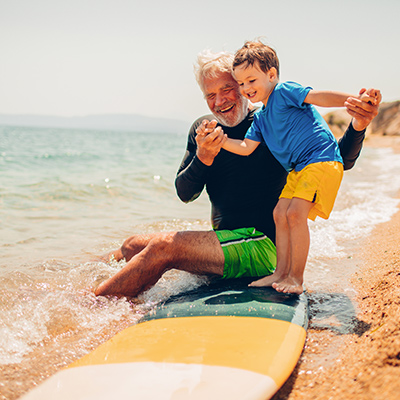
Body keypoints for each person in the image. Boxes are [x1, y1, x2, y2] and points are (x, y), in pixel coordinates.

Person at [94, 50, 381, 298]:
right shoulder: (204, 129)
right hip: (229, 242)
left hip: (263, 245)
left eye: (228, 89)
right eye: (210, 95)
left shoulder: (269, 122)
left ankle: (91, 304)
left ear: (244, 87)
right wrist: (203, 157)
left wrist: (358, 125)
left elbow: (335, 160)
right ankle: (119, 300)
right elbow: (185, 193)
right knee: (131, 246)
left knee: (163, 247)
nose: (219, 101)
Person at [218, 40, 378, 294]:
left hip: (321, 159)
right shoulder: (260, 118)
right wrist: (221, 141)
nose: (245, 88)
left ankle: (296, 278)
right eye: (240, 83)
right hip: (299, 169)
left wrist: (353, 100)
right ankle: (279, 273)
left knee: (294, 214)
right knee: (279, 213)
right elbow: (246, 147)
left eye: (251, 80)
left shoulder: (284, 91)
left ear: (271, 75)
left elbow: (318, 97)